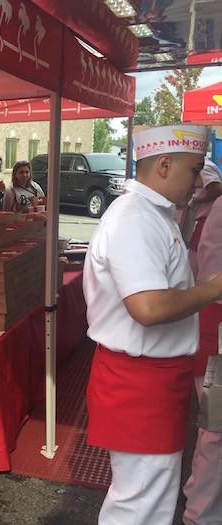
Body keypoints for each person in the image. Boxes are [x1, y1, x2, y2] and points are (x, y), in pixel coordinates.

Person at [83, 124, 222, 525]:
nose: (198, 182)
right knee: (141, 504)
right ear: (164, 165)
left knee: (151, 497)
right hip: (139, 380)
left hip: (153, 378)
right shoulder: (135, 218)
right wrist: (212, 289)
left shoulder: (153, 214)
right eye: (194, 170)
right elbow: (147, 307)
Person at [183, 169, 222, 525]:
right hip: (217, 336)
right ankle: (200, 513)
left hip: (211, 329)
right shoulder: (218, 209)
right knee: (216, 429)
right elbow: (208, 277)